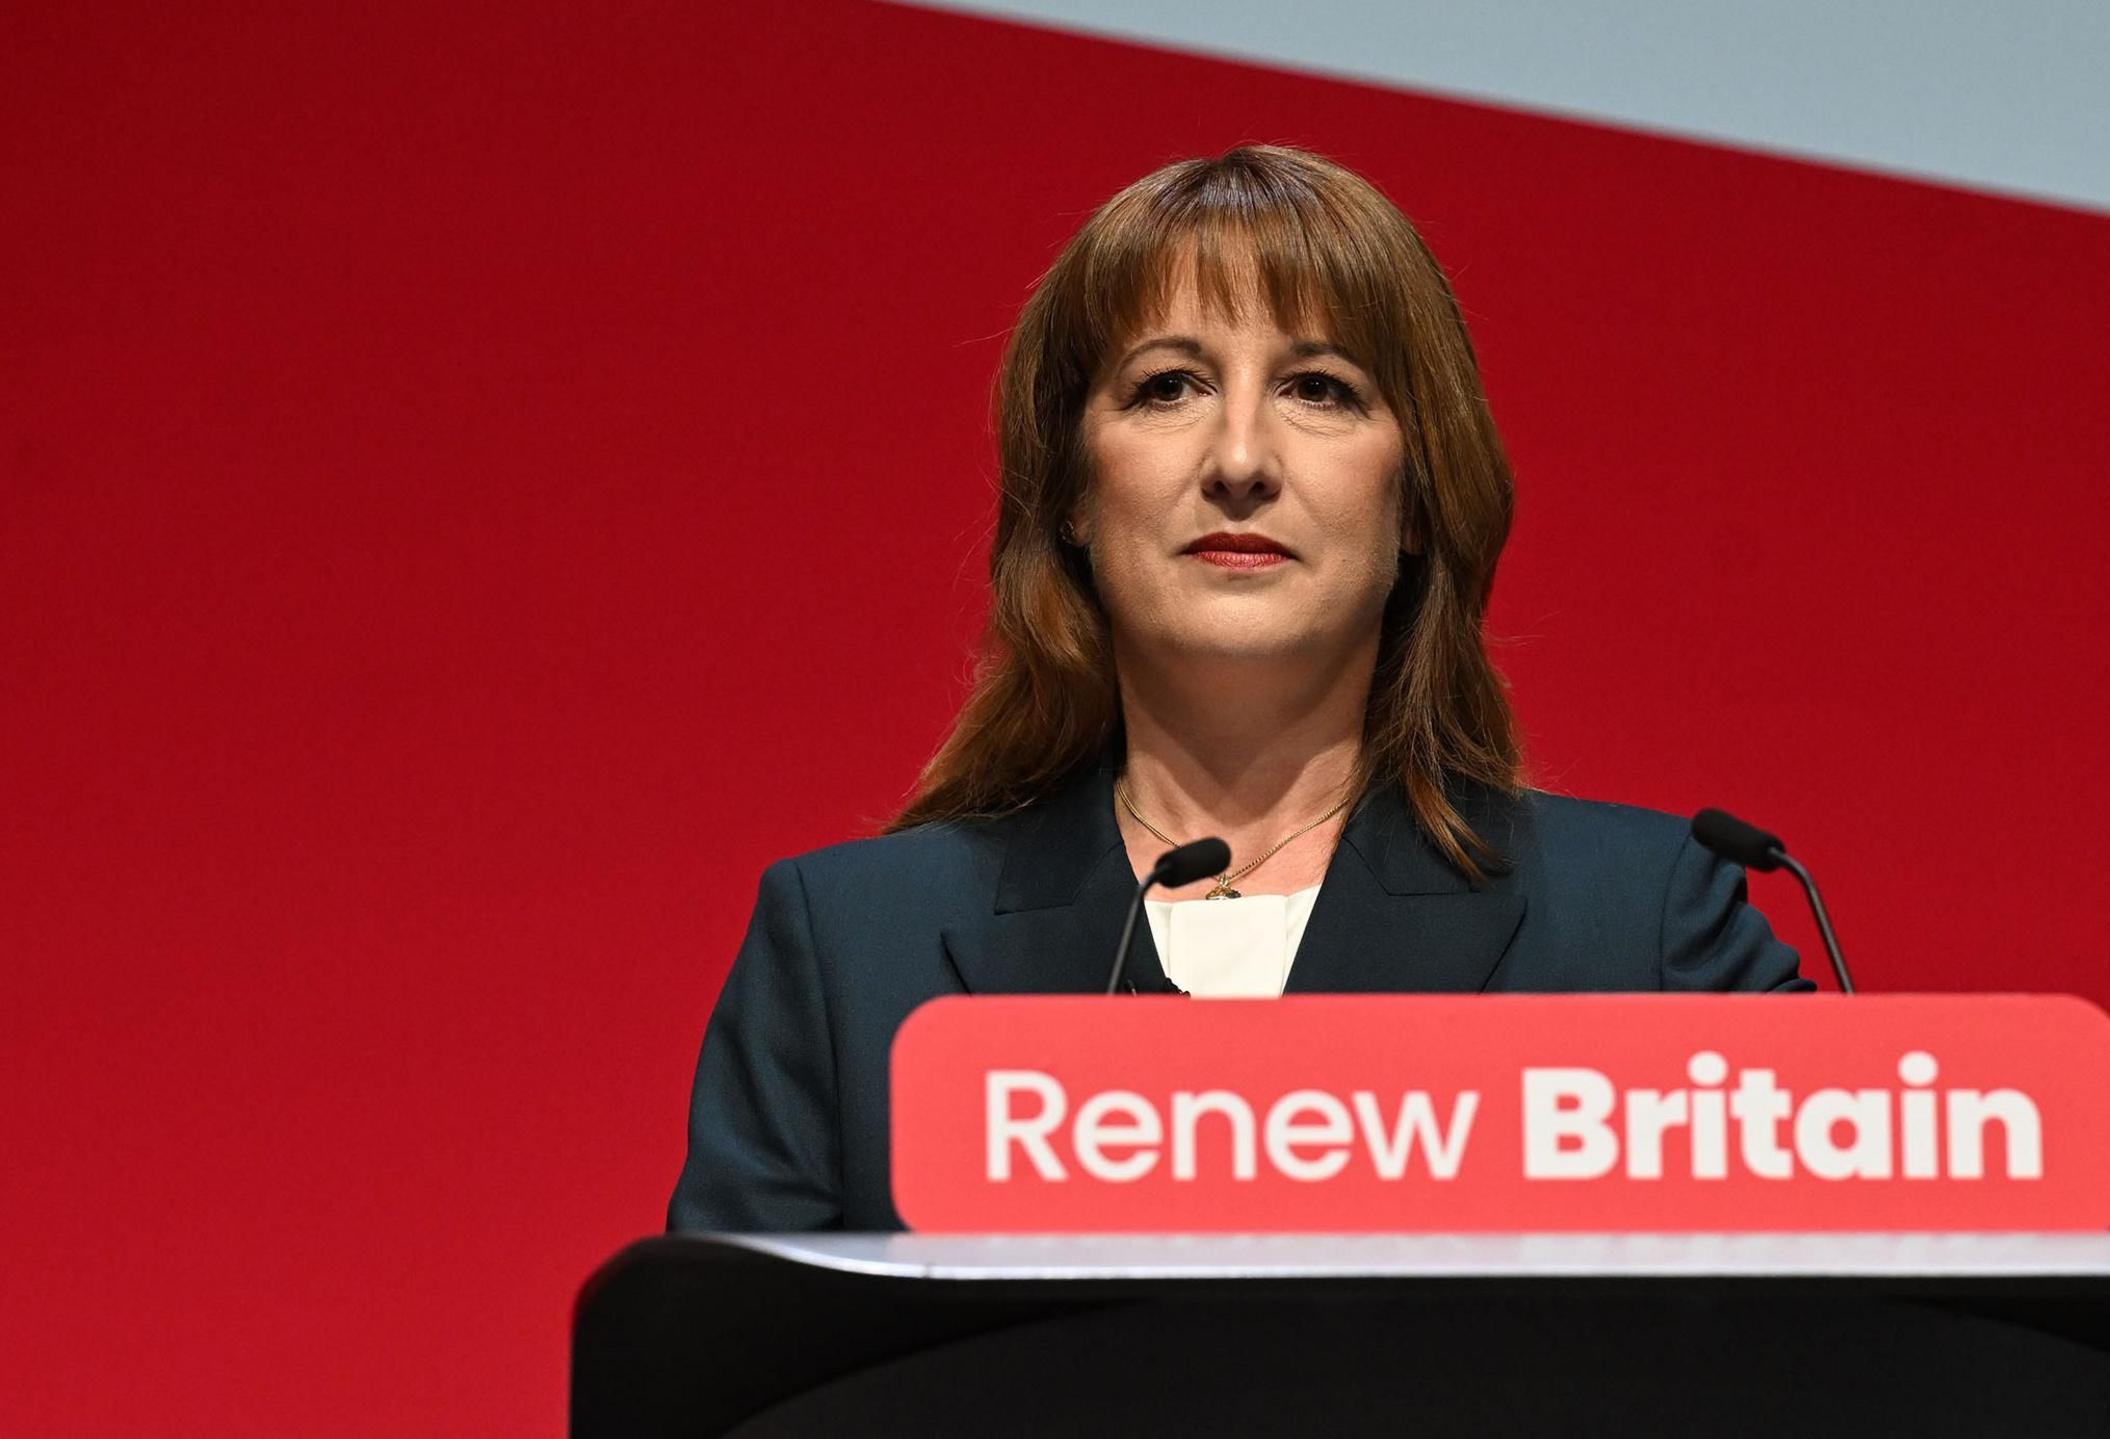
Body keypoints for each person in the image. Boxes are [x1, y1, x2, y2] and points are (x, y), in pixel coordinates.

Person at [670, 145, 1808, 1233]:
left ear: (1416, 501)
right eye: (1167, 387)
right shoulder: (854, 952)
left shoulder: (1642, 936)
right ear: (1070, 490)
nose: (1239, 458)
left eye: (1319, 387)